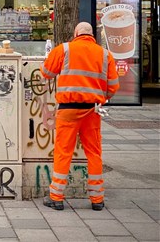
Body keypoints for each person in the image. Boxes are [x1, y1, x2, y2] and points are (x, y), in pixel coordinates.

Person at [40, 21, 120, 211]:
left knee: (63, 152)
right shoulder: (105, 54)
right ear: (92, 35)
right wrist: (101, 98)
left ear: (76, 33)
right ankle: (97, 199)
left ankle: (56, 197)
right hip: (92, 111)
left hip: (68, 110)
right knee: (94, 153)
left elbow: (46, 73)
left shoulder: (64, 49)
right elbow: (113, 86)